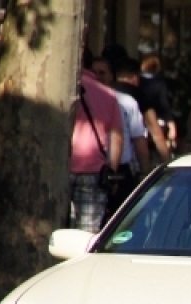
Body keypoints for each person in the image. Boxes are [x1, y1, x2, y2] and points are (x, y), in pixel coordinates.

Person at [70, 48, 124, 232]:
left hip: (60, 166)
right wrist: (113, 171)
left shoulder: (62, 88)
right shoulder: (108, 95)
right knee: (86, 232)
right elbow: (117, 136)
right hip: (94, 171)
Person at [92, 56, 150, 213]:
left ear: (112, 76)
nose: (97, 77)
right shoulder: (83, 100)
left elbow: (139, 139)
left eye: (102, 73)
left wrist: (145, 174)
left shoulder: (126, 102)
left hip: (120, 172)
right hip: (93, 170)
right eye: (94, 72)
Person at [139, 54, 177, 155]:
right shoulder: (160, 83)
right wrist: (171, 125)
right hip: (158, 121)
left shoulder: (137, 81)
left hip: (139, 121)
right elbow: (164, 104)